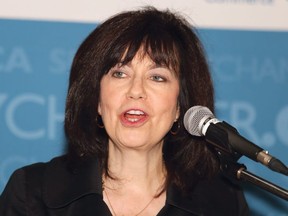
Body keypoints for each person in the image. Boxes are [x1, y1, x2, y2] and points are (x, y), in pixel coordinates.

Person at [0, 7, 249, 216]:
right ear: (97, 100)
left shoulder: (222, 203)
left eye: (157, 77)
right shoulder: (33, 194)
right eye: (120, 73)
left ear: (180, 108)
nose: (135, 90)